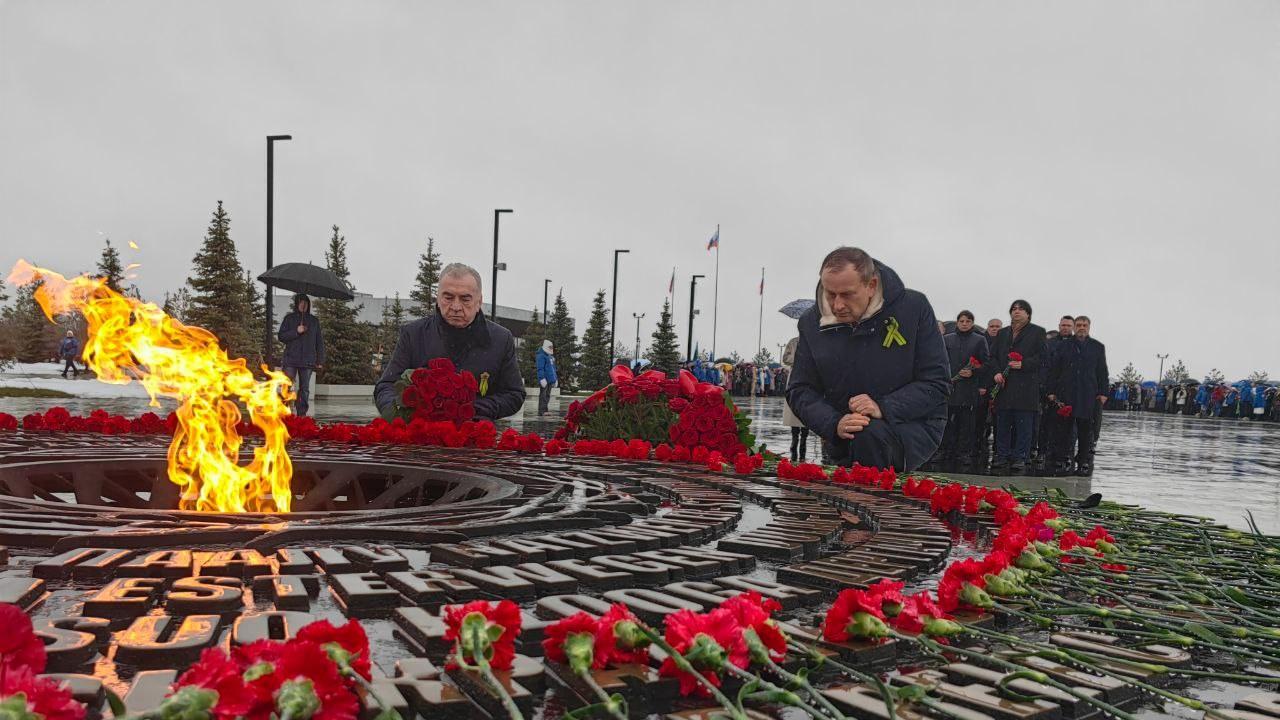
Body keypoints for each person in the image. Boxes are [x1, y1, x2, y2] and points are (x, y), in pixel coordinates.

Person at [787, 247, 949, 472]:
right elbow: (800, 390)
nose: (837, 305)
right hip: (844, 429)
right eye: (830, 293)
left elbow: (936, 382)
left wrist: (884, 406)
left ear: (871, 285)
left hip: (911, 423)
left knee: (870, 438)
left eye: (847, 294)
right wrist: (833, 423)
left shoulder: (913, 308)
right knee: (858, 450)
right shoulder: (811, 323)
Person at [374, 263, 526, 420]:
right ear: (438, 299)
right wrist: (401, 412)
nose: (456, 306)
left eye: (465, 299)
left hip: (476, 431)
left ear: (479, 301)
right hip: (421, 432)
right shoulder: (413, 334)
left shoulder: (501, 339)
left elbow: (514, 394)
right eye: (448, 297)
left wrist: (474, 409)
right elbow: (386, 386)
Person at [983, 299, 1047, 475]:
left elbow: (1043, 358)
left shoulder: (1037, 332)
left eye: (1021, 309)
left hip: (1025, 387)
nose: (1016, 312)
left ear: (1028, 313)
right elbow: (993, 356)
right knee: (1002, 422)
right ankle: (1001, 455)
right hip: (1004, 386)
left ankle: (1021, 456)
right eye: (1014, 309)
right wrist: (996, 372)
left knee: (1023, 424)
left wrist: (1024, 364)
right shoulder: (1003, 333)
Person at [1047, 316, 1108, 476]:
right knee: (1064, 430)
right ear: (1074, 327)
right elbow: (1055, 370)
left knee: (1086, 430)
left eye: (1084, 325)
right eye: (1079, 325)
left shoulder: (1097, 347)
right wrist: (1051, 391)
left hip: (1088, 394)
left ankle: (1083, 461)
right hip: (1066, 393)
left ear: (1089, 327)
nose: (1082, 328)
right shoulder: (1064, 346)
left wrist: (1103, 392)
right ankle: (1063, 459)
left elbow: (1102, 371)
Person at [940, 310, 989, 469]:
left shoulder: (979, 340)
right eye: (962, 321)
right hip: (950, 388)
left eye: (968, 321)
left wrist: (973, 371)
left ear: (972, 323)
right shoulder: (947, 339)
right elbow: (940, 361)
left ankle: (964, 453)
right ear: (957, 322)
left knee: (966, 425)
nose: (964, 324)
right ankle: (943, 451)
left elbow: (986, 364)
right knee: (947, 423)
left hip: (968, 389)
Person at [277, 293, 325, 417]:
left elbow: (319, 342)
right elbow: (281, 336)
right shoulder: (289, 319)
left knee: (304, 389)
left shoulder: (314, 321)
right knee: (286, 386)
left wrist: (320, 360)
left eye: (306, 303)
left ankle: (301, 414)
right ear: (297, 304)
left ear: (308, 305)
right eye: (301, 302)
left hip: (307, 361)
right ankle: (284, 412)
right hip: (290, 360)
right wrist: (296, 331)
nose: (303, 305)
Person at [780, 336, 809, 462]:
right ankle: (794, 442)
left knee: (807, 411)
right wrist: (798, 358)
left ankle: (803, 442)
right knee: (794, 410)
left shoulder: (814, 340)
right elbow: (785, 359)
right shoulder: (793, 342)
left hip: (809, 377)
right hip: (795, 377)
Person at [535, 339, 557, 416]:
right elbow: (540, 368)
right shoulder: (541, 356)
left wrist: (555, 379)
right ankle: (541, 411)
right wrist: (541, 378)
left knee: (547, 395)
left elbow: (553, 369)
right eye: (550, 347)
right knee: (543, 395)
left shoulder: (550, 357)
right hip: (544, 380)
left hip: (550, 380)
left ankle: (545, 410)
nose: (551, 349)